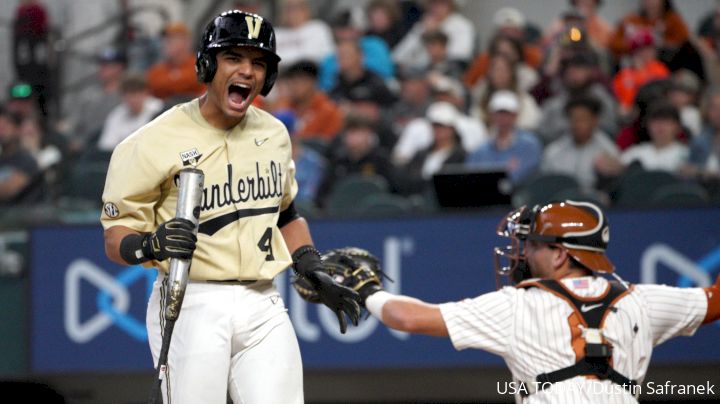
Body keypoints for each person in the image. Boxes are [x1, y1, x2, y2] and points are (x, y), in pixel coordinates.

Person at [100, 10, 361, 404]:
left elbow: (286, 212)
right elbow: (114, 236)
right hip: (191, 300)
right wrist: (149, 246)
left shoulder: (273, 132)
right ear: (207, 64)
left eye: (258, 63)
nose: (247, 71)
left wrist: (310, 264)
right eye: (234, 58)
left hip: (263, 302)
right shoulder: (151, 140)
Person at [359, 199, 720, 403]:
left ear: (560, 255)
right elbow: (715, 301)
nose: (522, 253)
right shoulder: (641, 301)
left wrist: (367, 291)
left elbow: (406, 317)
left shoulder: (518, 306)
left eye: (531, 244)